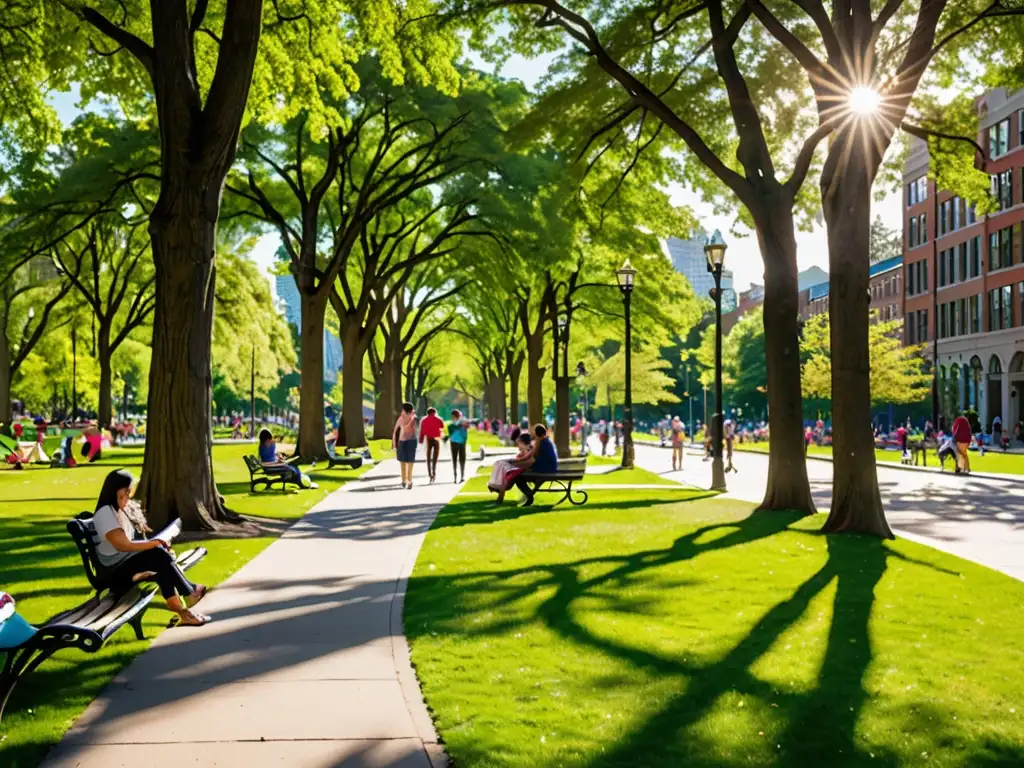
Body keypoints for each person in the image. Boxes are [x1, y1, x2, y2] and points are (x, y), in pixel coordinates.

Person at [91, 469, 210, 626]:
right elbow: (123, 545)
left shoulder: (118, 510)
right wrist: (155, 543)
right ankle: (189, 592)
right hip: (113, 574)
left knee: (161, 564)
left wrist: (157, 544)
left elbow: (134, 542)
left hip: (124, 565)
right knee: (158, 555)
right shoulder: (105, 513)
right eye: (125, 492)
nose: (128, 496)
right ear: (114, 490)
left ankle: (184, 609)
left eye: (129, 492)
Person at [515, 424, 557, 507]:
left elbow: (533, 456)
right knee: (524, 474)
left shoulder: (540, 441)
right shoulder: (547, 440)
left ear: (536, 434)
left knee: (518, 478)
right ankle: (530, 493)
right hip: (550, 468)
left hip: (544, 469)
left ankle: (529, 496)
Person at [488, 431, 534, 503]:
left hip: (523, 470)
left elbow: (527, 462)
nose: (518, 446)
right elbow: (520, 460)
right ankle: (495, 485)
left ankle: (498, 489)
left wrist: (515, 461)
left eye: (518, 443)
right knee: (499, 464)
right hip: (519, 469)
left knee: (503, 467)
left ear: (522, 443)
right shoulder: (524, 451)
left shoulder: (530, 451)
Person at [393, 402, 418, 489]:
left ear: (406, 410)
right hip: (402, 442)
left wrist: (411, 417)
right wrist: (394, 444)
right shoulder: (400, 419)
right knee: (402, 461)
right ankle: (404, 480)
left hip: (411, 441)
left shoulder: (413, 418)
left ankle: (409, 480)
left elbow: (411, 426)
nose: (401, 411)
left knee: (410, 462)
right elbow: (395, 431)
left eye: (403, 410)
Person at [419, 407, 444, 484]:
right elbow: (442, 427)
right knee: (435, 458)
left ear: (427, 413)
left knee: (428, 458)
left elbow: (422, 431)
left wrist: (421, 439)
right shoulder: (439, 419)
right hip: (436, 439)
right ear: (435, 412)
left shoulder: (424, 420)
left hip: (428, 439)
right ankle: (434, 472)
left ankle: (430, 475)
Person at [447, 409, 469, 483]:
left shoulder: (457, 424)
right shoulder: (457, 424)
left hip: (455, 442)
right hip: (460, 442)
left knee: (455, 459)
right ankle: (459, 476)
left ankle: (458, 477)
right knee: (461, 459)